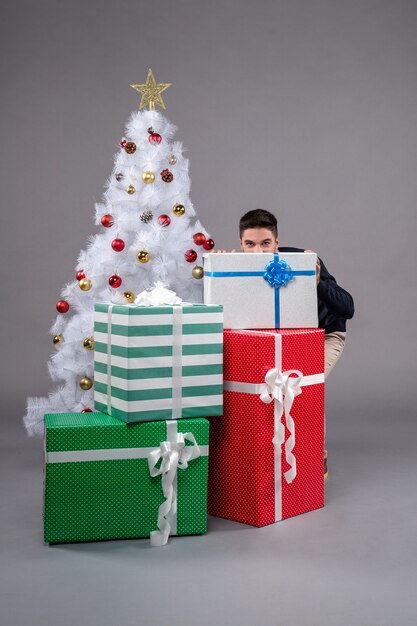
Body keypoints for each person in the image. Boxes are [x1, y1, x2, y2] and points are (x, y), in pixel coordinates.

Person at [217, 208, 354, 478]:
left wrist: (316, 282)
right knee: (261, 392)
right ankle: (266, 457)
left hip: (324, 335)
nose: (258, 251)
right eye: (250, 244)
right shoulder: (238, 264)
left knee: (300, 387)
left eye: (265, 243)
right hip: (278, 340)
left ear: (277, 243)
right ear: (241, 245)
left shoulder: (303, 261)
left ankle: (317, 456)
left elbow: (348, 307)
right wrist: (219, 272)